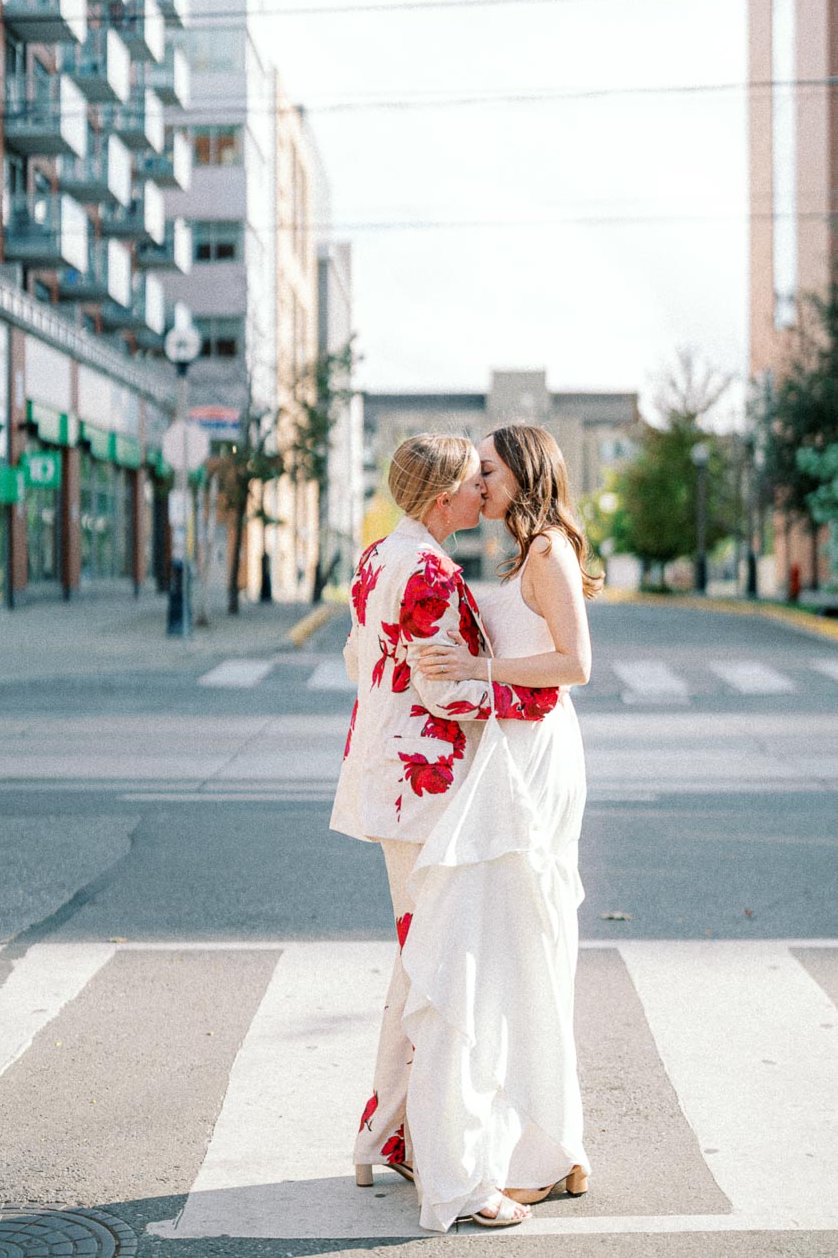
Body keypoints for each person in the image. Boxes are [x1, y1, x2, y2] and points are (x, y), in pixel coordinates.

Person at [330, 433, 560, 1230]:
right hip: (428, 797)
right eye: (471, 483)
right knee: (443, 976)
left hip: (388, 787)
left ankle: (381, 1137)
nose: (481, 495)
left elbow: (360, 655)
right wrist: (533, 705)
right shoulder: (430, 572)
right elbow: (448, 692)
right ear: (441, 500)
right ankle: (451, 1178)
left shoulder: (375, 558)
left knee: (416, 965)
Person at [409, 423, 601, 1230]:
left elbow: (575, 664)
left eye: (486, 469)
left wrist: (479, 669)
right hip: (509, 754)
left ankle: (548, 1151)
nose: (476, 481)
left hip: (535, 762)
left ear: (523, 475)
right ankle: (558, 1146)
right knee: (527, 948)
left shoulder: (549, 551)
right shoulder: (523, 555)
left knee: (523, 945)